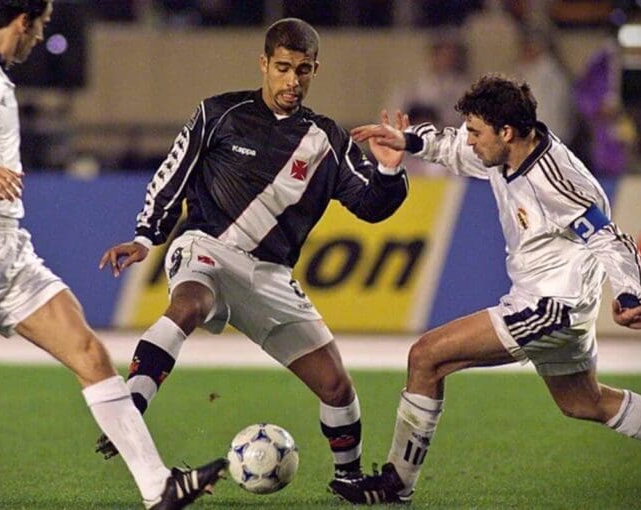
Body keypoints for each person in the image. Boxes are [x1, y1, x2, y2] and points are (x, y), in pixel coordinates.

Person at [0, 2, 226, 509]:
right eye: (43, 24)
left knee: (90, 355)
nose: (42, 34)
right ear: (24, 20)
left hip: (7, 246)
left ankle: (159, 488)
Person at [95, 17, 409, 496]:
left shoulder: (327, 140)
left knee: (336, 387)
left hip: (271, 276)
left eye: (303, 70)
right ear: (264, 64)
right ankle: (128, 409)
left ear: (314, 70)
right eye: (282, 68)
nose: (292, 80)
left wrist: (389, 172)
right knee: (189, 306)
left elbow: (370, 207)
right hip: (207, 247)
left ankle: (348, 477)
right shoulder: (219, 113)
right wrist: (144, 237)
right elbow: (172, 174)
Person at [330, 74, 641, 504]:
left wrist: (630, 293)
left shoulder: (553, 180)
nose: (468, 140)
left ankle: (396, 484)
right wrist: (408, 142)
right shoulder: (508, 152)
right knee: (585, 403)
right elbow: (452, 148)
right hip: (555, 304)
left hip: (550, 307)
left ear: (505, 132)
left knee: (426, 357)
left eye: (475, 132)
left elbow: (607, 237)